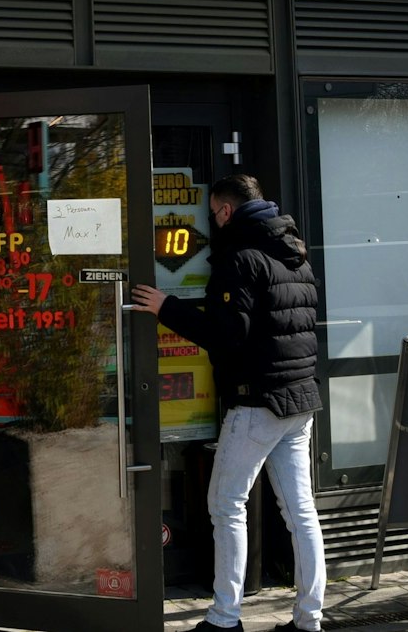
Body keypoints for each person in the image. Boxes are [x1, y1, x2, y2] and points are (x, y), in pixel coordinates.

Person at [129, 174, 323, 632]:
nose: (212, 223)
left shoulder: (239, 257)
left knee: (226, 505)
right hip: (298, 401)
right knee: (300, 513)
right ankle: (310, 619)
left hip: (256, 402)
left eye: (213, 213)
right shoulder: (295, 253)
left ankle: (223, 620)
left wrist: (166, 307)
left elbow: (225, 334)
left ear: (225, 211)